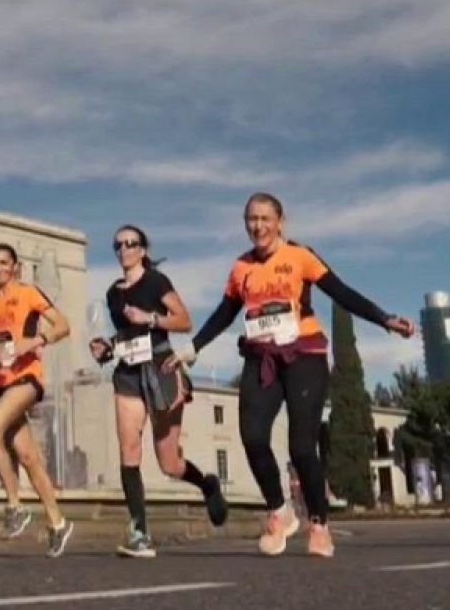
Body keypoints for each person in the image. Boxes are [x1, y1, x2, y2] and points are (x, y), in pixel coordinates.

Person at [165, 192, 415, 558]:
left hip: (304, 356)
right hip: (261, 358)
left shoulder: (300, 256)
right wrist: (192, 348)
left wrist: (384, 319)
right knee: (252, 437)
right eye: (252, 219)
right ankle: (279, 511)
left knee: (301, 446)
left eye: (265, 218)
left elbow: (341, 292)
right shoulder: (241, 267)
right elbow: (224, 313)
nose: (258, 226)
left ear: (280, 221)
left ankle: (319, 524)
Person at [88, 225, 228, 558]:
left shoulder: (156, 282)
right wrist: (106, 348)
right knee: (129, 450)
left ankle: (207, 484)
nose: (124, 249)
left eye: (130, 243)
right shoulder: (113, 293)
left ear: (143, 249)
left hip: (161, 370)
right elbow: (126, 335)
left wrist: (150, 318)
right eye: (118, 245)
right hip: (127, 374)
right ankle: (139, 531)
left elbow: (184, 321)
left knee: (169, 463)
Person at [0, 242, 75, 557]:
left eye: (4, 263)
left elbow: (63, 326)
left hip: (26, 379)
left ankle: (15, 506)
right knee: (29, 458)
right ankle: (58, 523)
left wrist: (34, 341)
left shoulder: (29, 293)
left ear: (15, 266)